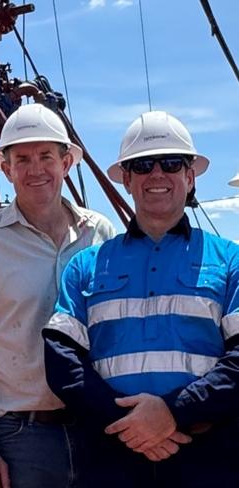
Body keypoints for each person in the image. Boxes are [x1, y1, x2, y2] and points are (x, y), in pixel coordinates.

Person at [43, 110, 239, 488]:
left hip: (208, 456)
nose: (157, 174)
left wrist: (172, 412)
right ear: (128, 179)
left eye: (171, 163)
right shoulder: (86, 265)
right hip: (112, 454)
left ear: (189, 176)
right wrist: (132, 424)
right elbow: (61, 359)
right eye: (143, 165)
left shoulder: (230, 260)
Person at [0, 104, 116, 488]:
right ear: (6, 169)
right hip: (20, 437)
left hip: (97, 428)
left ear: (67, 162)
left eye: (46, 157)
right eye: (22, 159)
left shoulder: (100, 233)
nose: (35, 169)